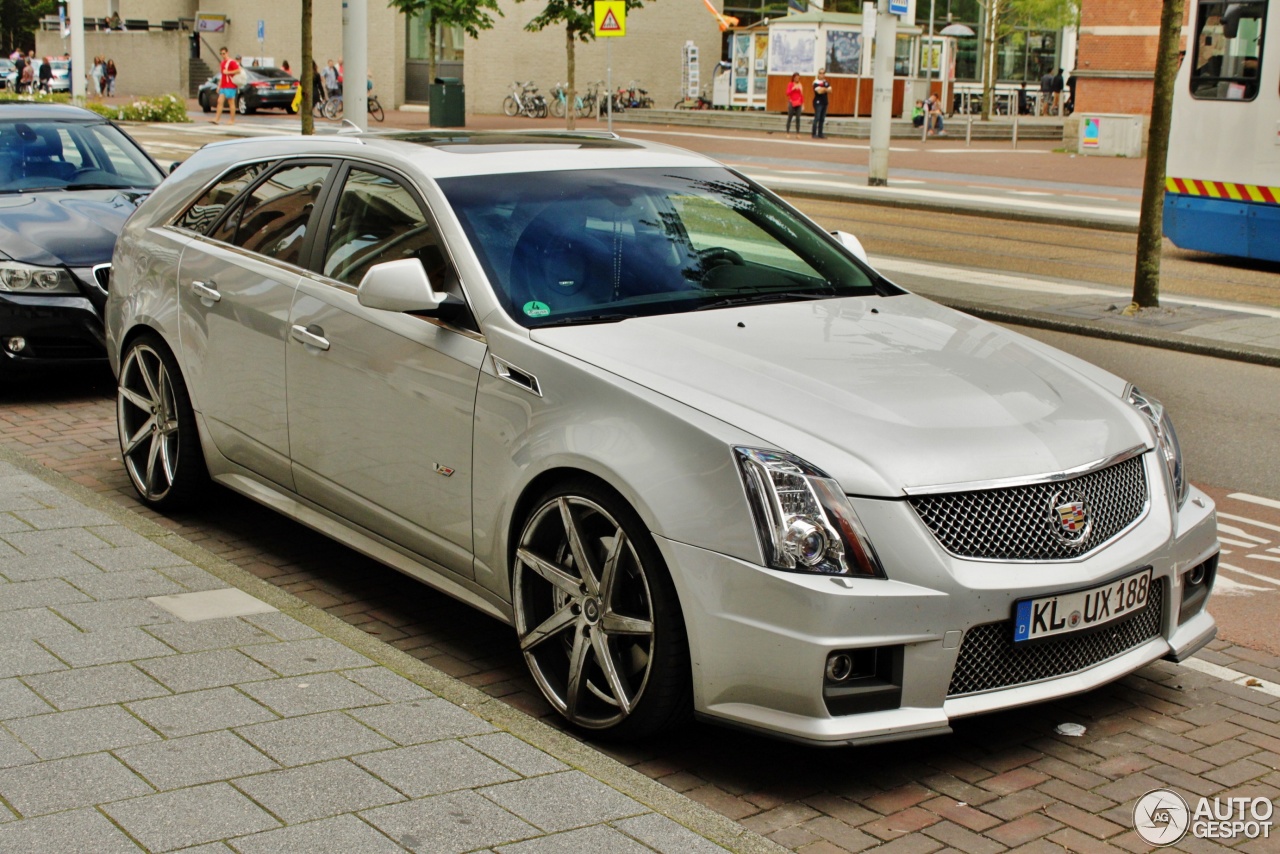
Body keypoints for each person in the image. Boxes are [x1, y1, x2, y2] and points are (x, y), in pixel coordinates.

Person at [213, 46, 241, 125]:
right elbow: (222, 75)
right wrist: (219, 86)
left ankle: (232, 120)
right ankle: (217, 119)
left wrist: (228, 72)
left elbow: (238, 70)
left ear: (227, 53)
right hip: (224, 85)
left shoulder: (231, 62)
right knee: (219, 101)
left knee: (231, 102)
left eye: (224, 53)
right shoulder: (222, 63)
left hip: (230, 85)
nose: (223, 55)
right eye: (221, 54)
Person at [811, 68, 831, 139]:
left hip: (825, 102)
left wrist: (823, 89)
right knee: (817, 118)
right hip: (818, 102)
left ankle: (820, 133)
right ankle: (814, 133)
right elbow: (818, 91)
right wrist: (825, 89)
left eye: (823, 73)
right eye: (820, 73)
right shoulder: (815, 82)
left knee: (822, 119)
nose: (822, 75)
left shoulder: (826, 82)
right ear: (818, 74)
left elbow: (830, 90)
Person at [785, 72, 804, 137]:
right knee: (790, 117)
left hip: (798, 103)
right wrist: (793, 89)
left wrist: (803, 103)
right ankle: (787, 132)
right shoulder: (790, 84)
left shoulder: (800, 85)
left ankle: (798, 133)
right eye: (795, 77)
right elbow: (787, 93)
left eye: (798, 77)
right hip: (791, 102)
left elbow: (801, 95)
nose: (797, 79)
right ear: (793, 78)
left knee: (798, 118)